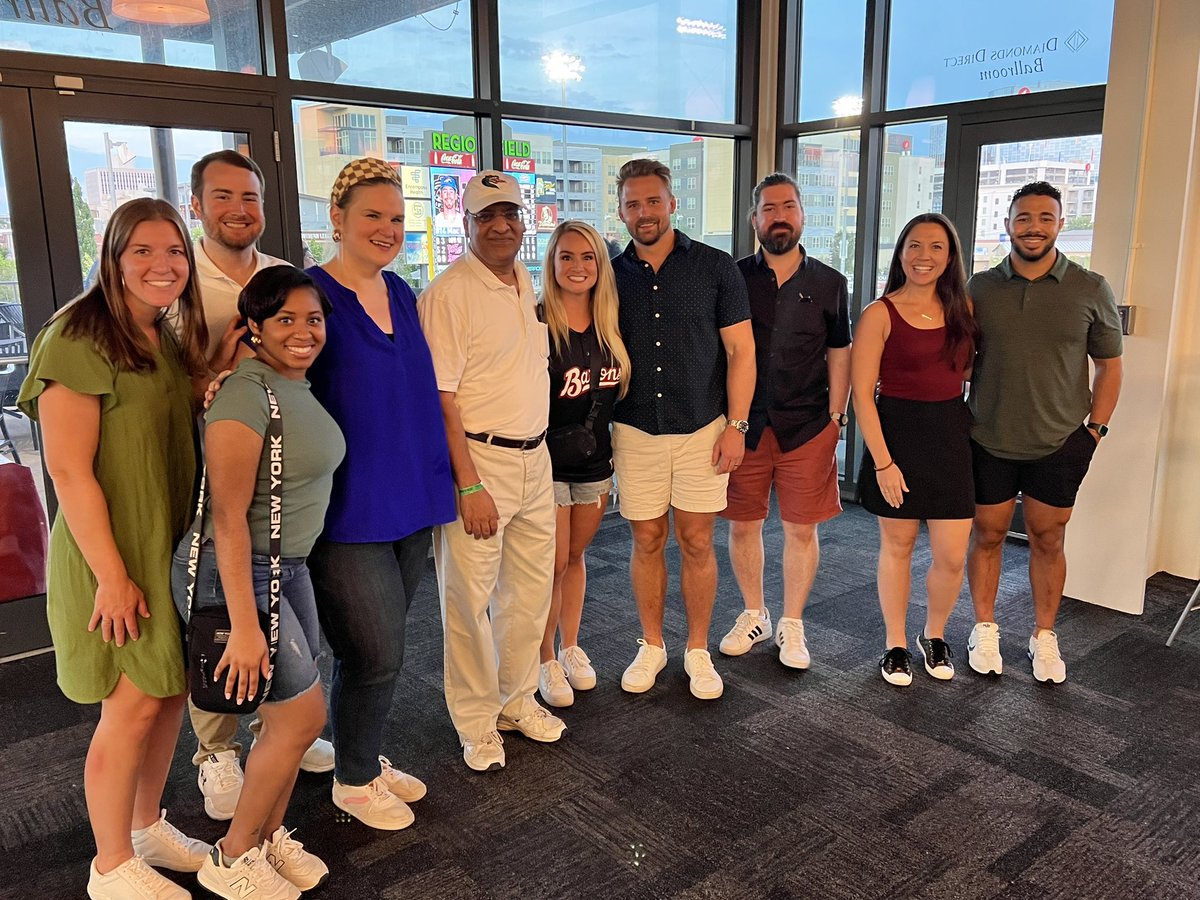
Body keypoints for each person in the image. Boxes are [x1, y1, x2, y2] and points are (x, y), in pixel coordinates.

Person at [18, 198, 211, 900]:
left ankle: (144, 825)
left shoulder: (162, 334)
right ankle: (109, 866)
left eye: (175, 253)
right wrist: (112, 576)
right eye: (144, 252)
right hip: (114, 557)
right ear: (114, 255)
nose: (163, 266)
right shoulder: (75, 336)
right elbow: (67, 471)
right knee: (129, 706)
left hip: (164, 547)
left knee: (168, 694)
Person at [174, 267, 342, 899]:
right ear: (255, 329)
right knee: (301, 719)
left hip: (285, 565)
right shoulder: (245, 393)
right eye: (285, 321)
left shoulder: (290, 382)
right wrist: (245, 626)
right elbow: (226, 517)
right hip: (235, 570)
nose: (303, 332)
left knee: (286, 722)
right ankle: (232, 855)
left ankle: (267, 839)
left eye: (313, 319)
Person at [305, 158, 456, 828]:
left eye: (396, 218)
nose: (387, 228)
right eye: (372, 216)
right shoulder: (310, 296)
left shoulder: (400, 292)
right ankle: (354, 779)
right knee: (375, 651)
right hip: (349, 509)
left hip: (412, 496)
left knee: (383, 648)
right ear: (337, 220)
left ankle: (359, 755)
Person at [185, 149, 334, 824]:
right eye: (222, 196)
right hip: (220, 487)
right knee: (223, 633)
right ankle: (218, 752)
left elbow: (298, 360)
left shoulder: (280, 277)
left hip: (273, 507)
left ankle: (278, 734)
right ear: (198, 206)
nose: (238, 209)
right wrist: (217, 381)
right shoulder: (181, 280)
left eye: (248, 196)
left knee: (289, 698)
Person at [418, 169, 564, 772]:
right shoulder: (450, 294)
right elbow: (441, 400)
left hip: (536, 458)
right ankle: (476, 722)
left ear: (523, 220)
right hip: (482, 465)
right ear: (466, 224)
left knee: (528, 595)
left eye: (510, 214)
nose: (501, 225)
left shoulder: (522, 278)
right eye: (487, 217)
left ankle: (516, 698)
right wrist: (469, 483)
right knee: (468, 600)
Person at [965, 181, 1123, 684]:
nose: (1034, 226)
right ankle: (984, 627)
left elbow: (1110, 366)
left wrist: (1094, 430)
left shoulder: (1090, 287)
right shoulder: (980, 289)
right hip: (987, 436)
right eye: (1023, 217)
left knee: (1047, 538)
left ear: (1060, 223)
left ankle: (1044, 635)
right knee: (987, 534)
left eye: (1045, 217)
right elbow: (960, 360)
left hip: (1059, 442)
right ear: (1007, 224)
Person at [610, 158, 755, 701]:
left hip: (704, 428)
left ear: (672, 203)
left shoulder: (717, 268)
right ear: (621, 209)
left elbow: (742, 351)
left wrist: (737, 426)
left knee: (697, 540)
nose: (643, 213)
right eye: (632, 204)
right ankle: (652, 644)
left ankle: (697, 648)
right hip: (634, 429)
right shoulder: (609, 272)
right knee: (646, 540)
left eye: (653, 201)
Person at [717, 173, 851, 669]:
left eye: (788, 207)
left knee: (800, 529)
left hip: (808, 426)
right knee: (743, 525)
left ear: (801, 216)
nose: (779, 216)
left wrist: (837, 417)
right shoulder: (732, 277)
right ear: (754, 219)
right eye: (768, 209)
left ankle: (791, 622)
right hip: (744, 426)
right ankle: (753, 612)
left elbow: (840, 352)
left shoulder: (830, 283)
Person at [850, 213, 978, 686]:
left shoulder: (963, 307)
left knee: (951, 554)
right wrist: (883, 462)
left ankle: (935, 635)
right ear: (901, 252)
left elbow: (963, 374)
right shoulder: (879, 313)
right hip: (896, 435)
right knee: (898, 545)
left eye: (936, 248)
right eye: (915, 246)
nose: (924, 256)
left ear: (950, 257)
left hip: (949, 434)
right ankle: (895, 644)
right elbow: (862, 393)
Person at [535, 220, 631, 708]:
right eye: (567, 256)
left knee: (575, 558)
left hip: (597, 466)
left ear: (601, 265)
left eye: (588, 257)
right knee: (550, 564)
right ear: (552, 263)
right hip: (546, 469)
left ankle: (570, 646)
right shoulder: (536, 323)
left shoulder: (612, 324)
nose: (578, 266)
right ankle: (544, 658)